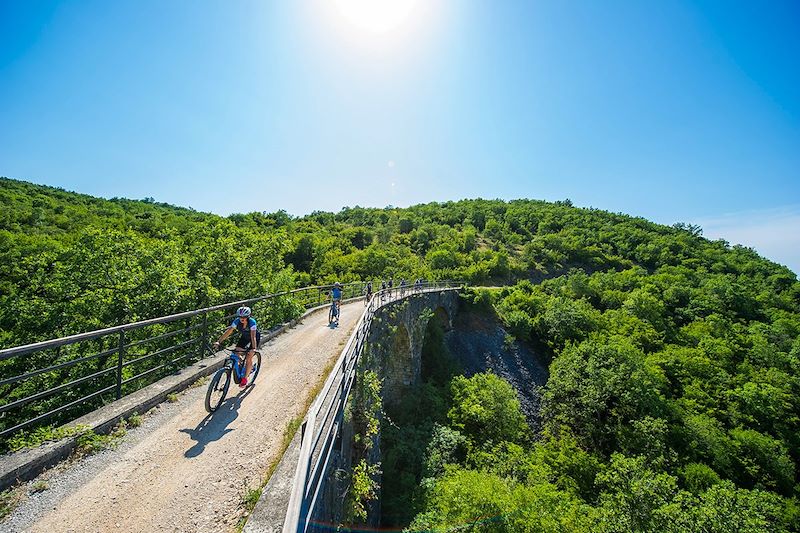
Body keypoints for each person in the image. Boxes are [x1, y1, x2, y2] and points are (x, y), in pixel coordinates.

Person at [213, 306, 260, 388]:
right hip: (244, 338)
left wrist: (253, 348)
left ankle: (245, 378)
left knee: (249, 356)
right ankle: (242, 365)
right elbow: (229, 332)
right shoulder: (237, 321)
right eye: (240, 317)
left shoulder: (252, 322)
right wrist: (219, 341)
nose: (242, 319)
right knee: (236, 352)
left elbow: (253, 337)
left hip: (253, 338)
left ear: (248, 316)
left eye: (244, 317)